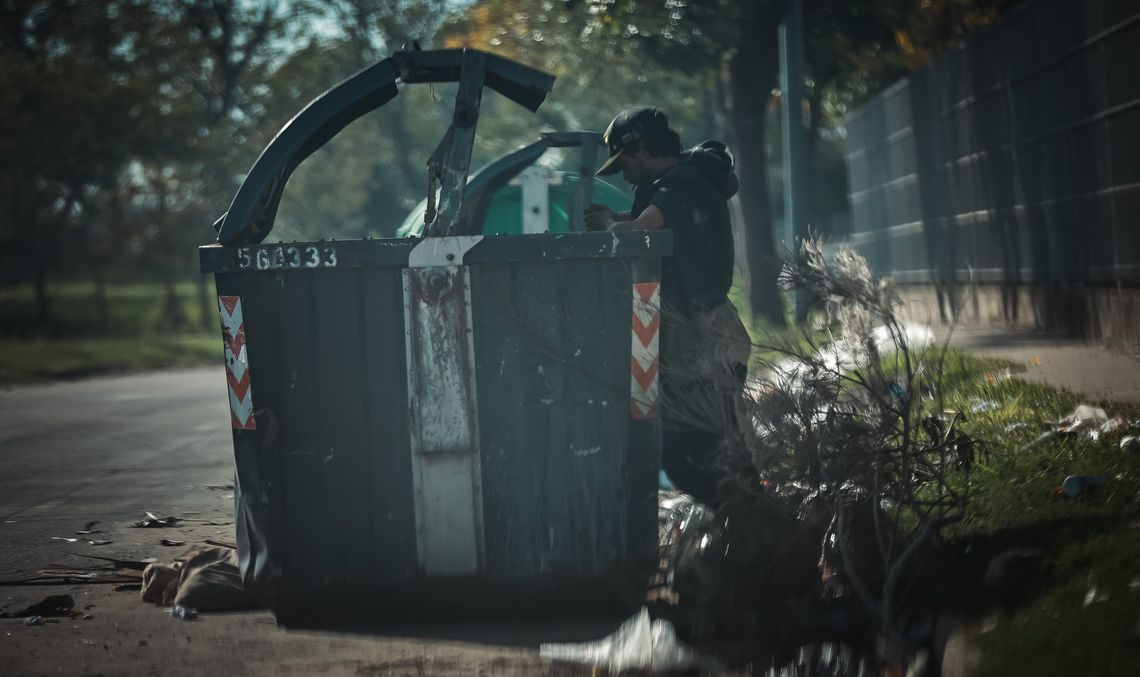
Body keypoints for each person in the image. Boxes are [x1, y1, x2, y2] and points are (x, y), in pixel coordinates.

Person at [586, 107, 750, 505]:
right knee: (713, 451)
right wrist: (615, 216)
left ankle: (758, 527)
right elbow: (651, 218)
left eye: (624, 160)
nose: (623, 173)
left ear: (642, 148)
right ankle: (752, 530)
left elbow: (639, 233)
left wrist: (608, 226)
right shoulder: (682, 185)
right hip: (705, 339)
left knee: (691, 454)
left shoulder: (680, 186)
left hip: (705, 343)